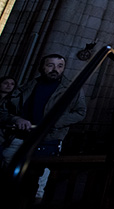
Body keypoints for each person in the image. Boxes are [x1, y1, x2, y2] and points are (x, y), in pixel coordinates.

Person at [0, 54, 87, 199]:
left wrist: (53, 121)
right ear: (42, 67)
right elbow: (4, 109)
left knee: (38, 181)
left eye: (60, 66)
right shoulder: (27, 86)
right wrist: (16, 119)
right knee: (8, 172)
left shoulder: (72, 89)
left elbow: (80, 112)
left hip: (48, 139)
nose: (55, 69)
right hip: (21, 137)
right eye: (50, 65)